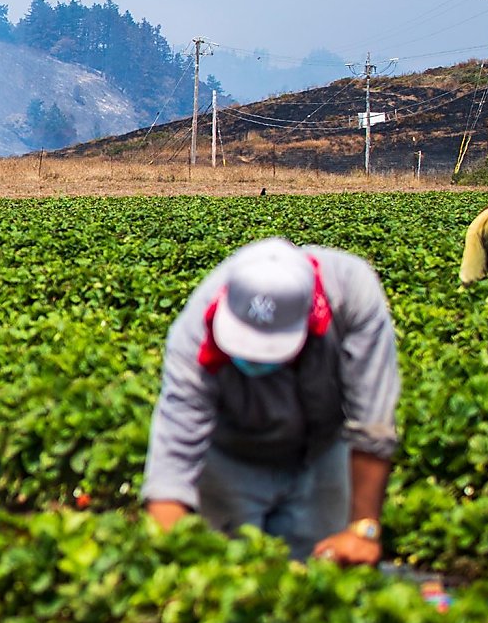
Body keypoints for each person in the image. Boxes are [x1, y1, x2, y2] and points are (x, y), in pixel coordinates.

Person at [140, 236, 399, 564]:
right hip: (230, 454)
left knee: (321, 573)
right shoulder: (193, 334)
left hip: (323, 450)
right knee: (226, 574)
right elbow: (172, 462)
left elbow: (372, 421)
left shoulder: (351, 293)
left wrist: (363, 529)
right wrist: (173, 554)